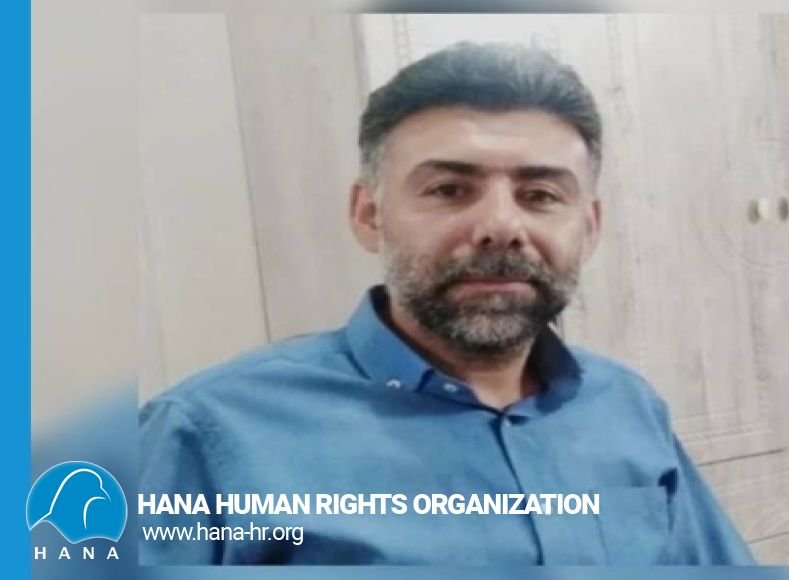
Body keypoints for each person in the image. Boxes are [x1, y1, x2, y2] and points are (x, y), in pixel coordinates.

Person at [139, 42, 756, 565]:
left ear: (589, 228)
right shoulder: (208, 434)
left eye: (540, 195)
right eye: (450, 189)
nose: (500, 226)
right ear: (369, 215)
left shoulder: (625, 407)